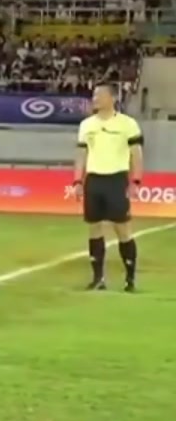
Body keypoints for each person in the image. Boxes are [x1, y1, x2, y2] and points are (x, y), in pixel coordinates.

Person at [74, 83, 143, 292]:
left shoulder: (128, 124)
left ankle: (130, 279)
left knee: (122, 229)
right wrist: (77, 181)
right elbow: (81, 154)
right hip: (94, 180)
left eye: (99, 95)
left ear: (112, 98)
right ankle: (98, 279)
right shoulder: (86, 125)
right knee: (94, 228)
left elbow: (136, 154)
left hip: (116, 180)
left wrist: (136, 181)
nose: (94, 98)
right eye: (94, 95)